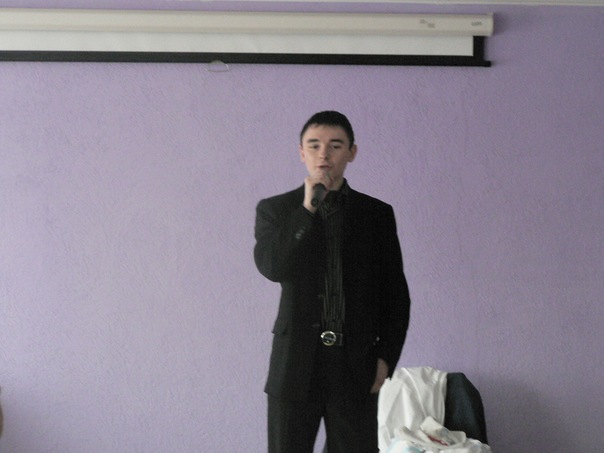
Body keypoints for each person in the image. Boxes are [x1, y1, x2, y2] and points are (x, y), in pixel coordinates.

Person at [254, 111, 411, 453]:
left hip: (355, 367)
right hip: (295, 368)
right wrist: (306, 211)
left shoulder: (376, 214)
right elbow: (272, 267)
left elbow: (396, 296)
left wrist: (385, 359)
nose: (324, 154)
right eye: (314, 145)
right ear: (302, 153)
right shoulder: (276, 210)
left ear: (352, 152)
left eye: (335, 145)